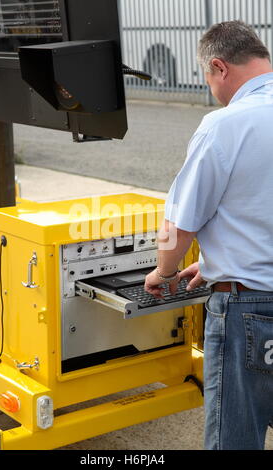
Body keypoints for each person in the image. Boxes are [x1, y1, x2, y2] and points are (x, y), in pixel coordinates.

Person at [144, 20, 273, 450]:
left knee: (235, 438)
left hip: (249, 310)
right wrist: (219, 258)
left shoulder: (224, 124)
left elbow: (179, 224)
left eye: (207, 79)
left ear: (219, 67)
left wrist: (164, 271)